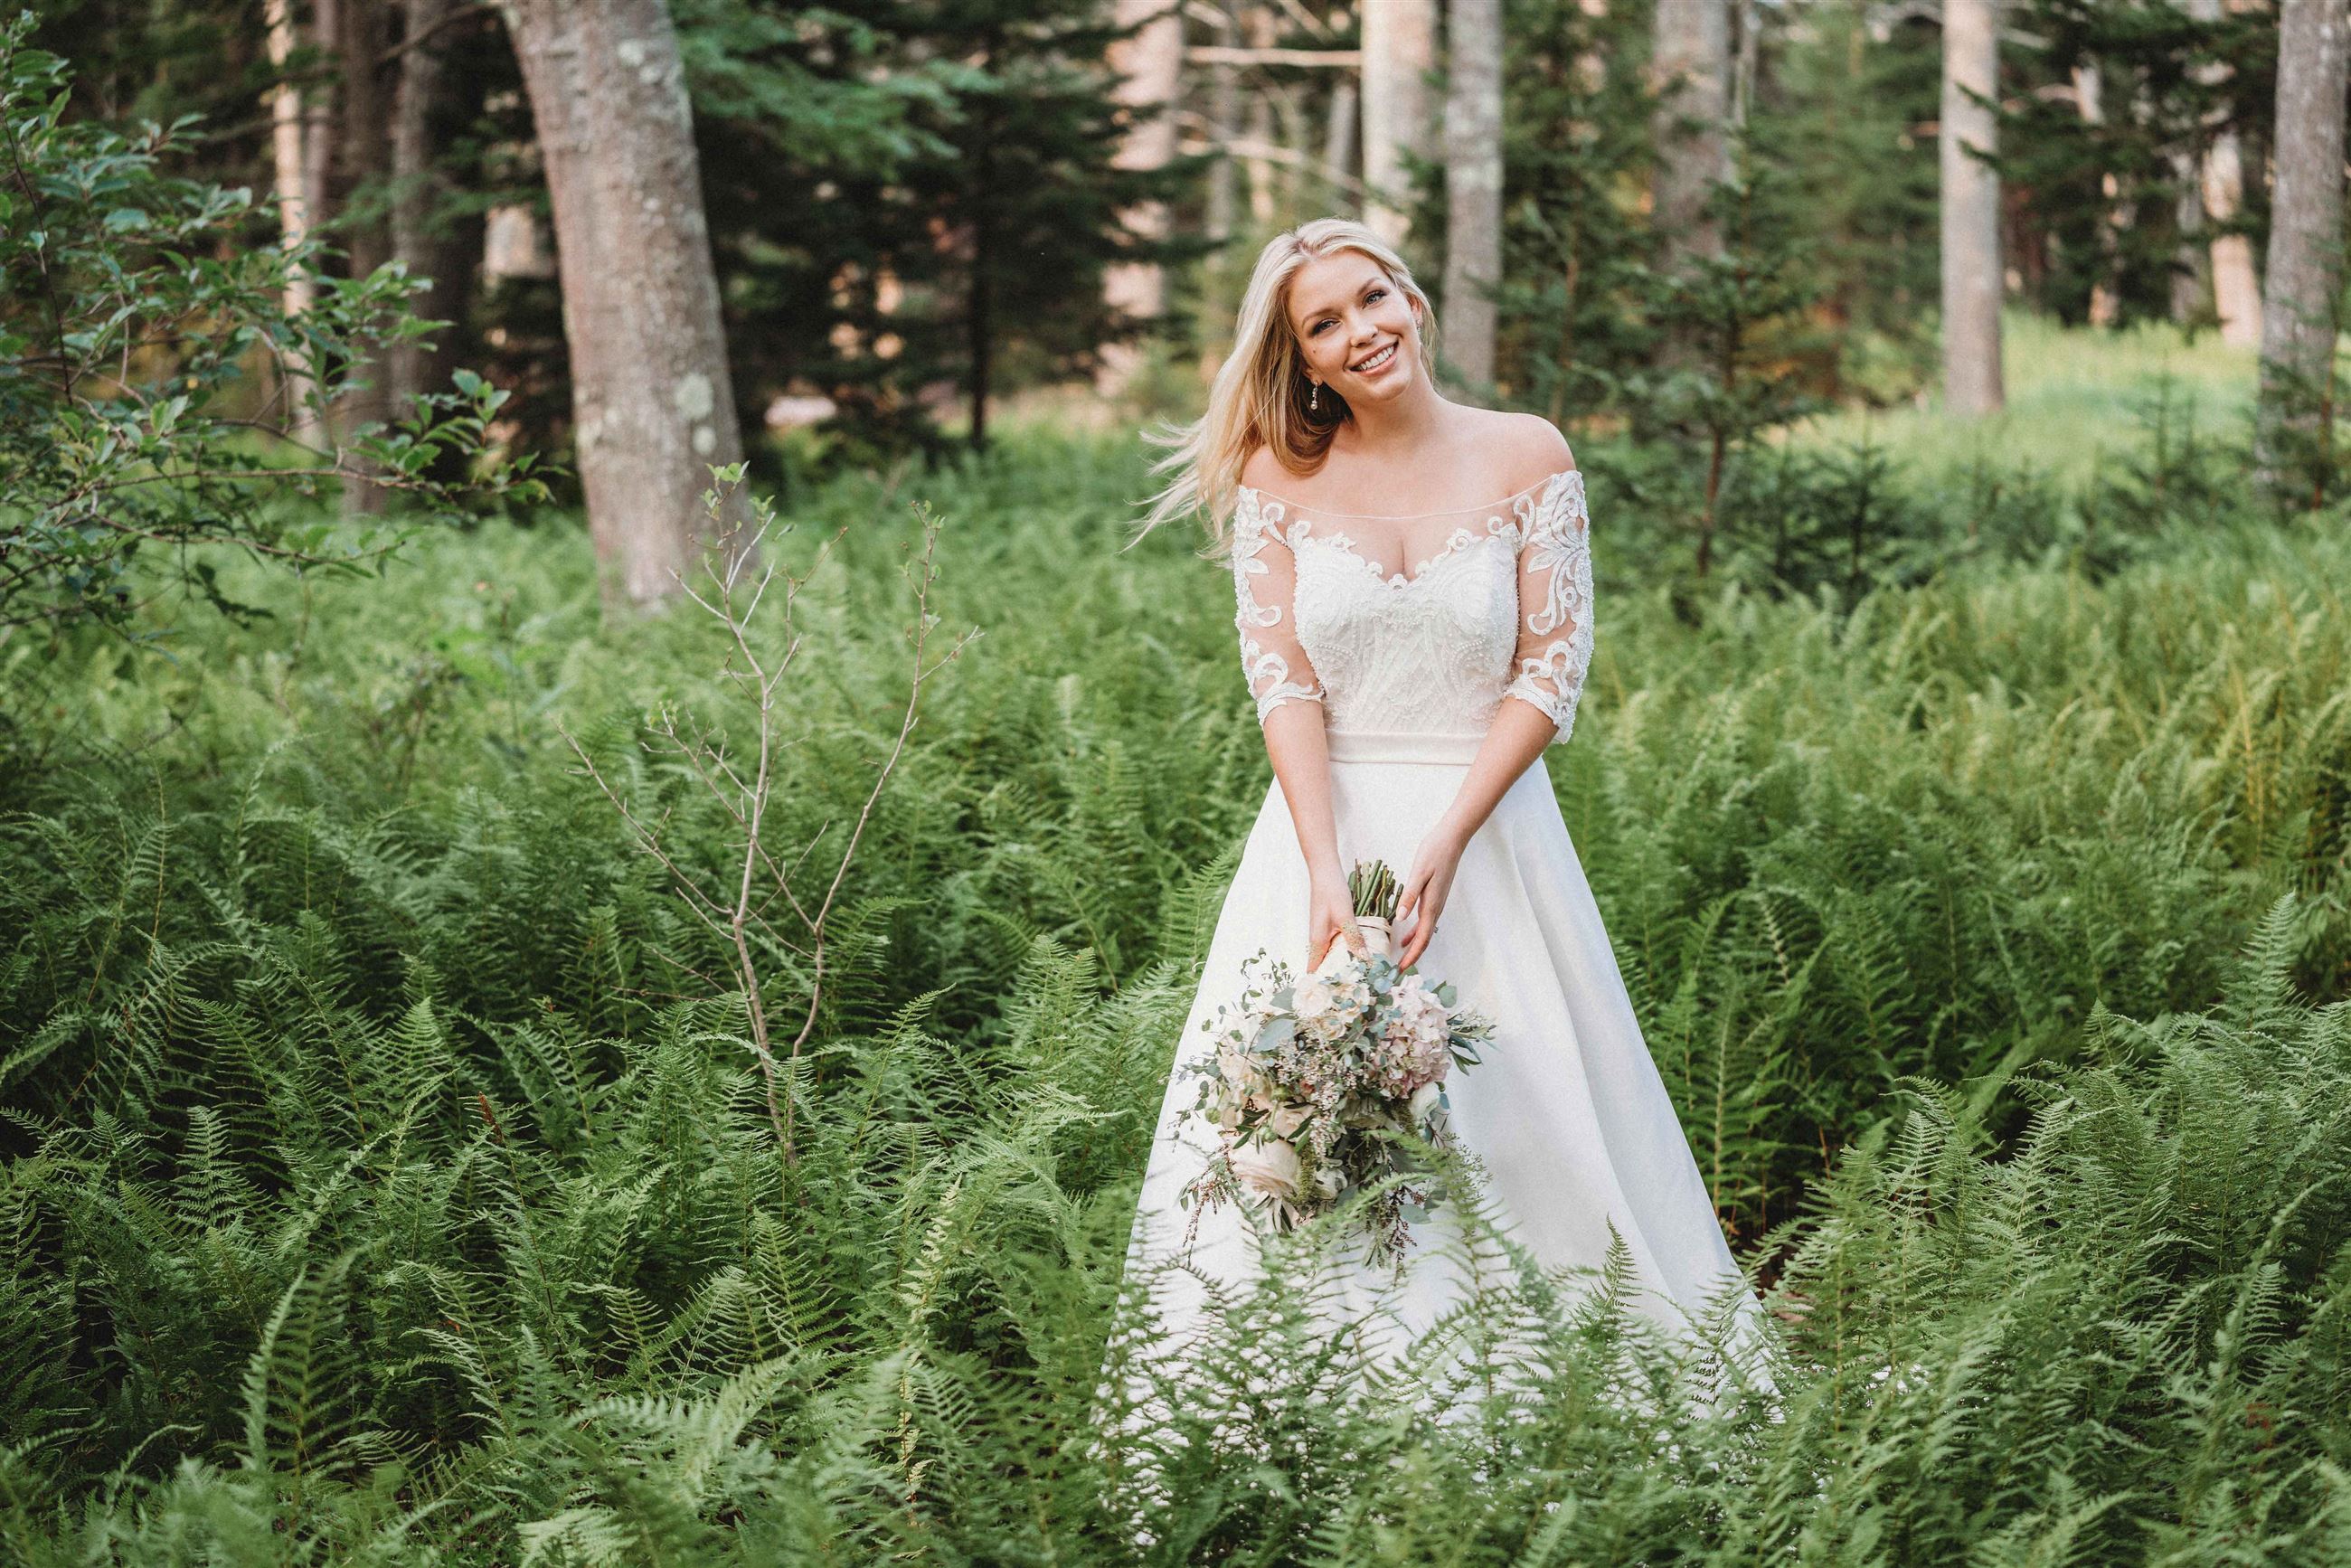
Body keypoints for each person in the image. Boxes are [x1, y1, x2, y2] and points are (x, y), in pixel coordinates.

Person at [1110, 217, 1777, 1416]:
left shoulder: (1528, 454)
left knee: (1529, 1120)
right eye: (1323, 322)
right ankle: (1299, 1416)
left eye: (1372, 298)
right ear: (1301, 359)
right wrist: (1325, 868)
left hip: (1493, 834)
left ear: (1413, 301)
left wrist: (1452, 835)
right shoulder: (1280, 478)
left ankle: (1545, 1401)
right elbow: (1286, 683)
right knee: (1301, 1124)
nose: (1359, 329)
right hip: (1321, 833)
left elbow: (1548, 671)